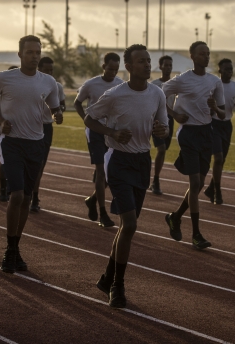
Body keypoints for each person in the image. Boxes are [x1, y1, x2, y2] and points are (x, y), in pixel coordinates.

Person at [86, 44, 168, 308]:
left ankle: (107, 276)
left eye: (148, 60)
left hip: (142, 161)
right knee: (130, 225)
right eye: (141, 61)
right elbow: (90, 119)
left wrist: (161, 130)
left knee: (126, 228)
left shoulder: (157, 93)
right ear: (129, 67)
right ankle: (117, 286)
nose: (147, 64)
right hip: (119, 162)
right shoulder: (114, 94)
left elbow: (163, 127)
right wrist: (111, 133)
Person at [0, 35, 62, 274]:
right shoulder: (5, 78)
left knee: (27, 197)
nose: (35, 56)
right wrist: (0, 120)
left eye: (37, 52)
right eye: (30, 52)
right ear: (19, 55)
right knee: (16, 195)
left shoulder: (48, 82)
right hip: (11, 142)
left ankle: (16, 247)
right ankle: (9, 248)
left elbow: (54, 105)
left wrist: (57, 113)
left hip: (35, 143)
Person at [162, 41, 225, 250]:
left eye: (208, 54)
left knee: (197, 186)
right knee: (195, 181)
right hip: (188, 133)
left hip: (207, 133)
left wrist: (215, 107)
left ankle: (175, 216)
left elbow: (223, 114)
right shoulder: (183, 80)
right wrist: (174, 114)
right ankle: (196, 234)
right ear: (192, 56)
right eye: (201, 54)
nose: (206, 57)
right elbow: (159, 95)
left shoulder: (215, 82)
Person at [74, 53, 124, 227]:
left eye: (116, 69)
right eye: (110, 69)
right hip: (95, 131)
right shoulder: (91, 84)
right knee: (102, 171)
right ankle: (103, 213)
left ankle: (93, 199)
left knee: (112, 171)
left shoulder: (120, 84)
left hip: (111, 131)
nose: (112, 72)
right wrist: (86, 121)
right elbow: (77, 102)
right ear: (104, 67)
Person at [204, 58, 235, 204]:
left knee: (222, 161)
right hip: (214, 124)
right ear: (220, 70)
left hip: (227, 125)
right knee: (219, 158)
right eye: (226, 69)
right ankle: (217, 191)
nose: (229, 72)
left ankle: (210, 189)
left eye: (231, 69)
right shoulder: (214, 85)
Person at [31, 56, 66, 212]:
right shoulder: (32, 84)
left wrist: (58, 113)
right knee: (29, 163)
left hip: (46, 127)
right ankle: (21, 191)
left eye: (52, 70)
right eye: (47, 70)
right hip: (30, 126)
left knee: (40, 165)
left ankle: (34, 197)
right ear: (39, 69)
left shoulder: (56, 86)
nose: (50, 73)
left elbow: (61, 106)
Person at [149, 55, 176, 196]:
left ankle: (154, 179)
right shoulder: (154, 84)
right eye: (165, 65)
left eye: (170, 65)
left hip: (170, 120)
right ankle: (156, 180)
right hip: (156, 120)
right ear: (160, 66)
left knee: (164, 149)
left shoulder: (174, 84)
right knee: (162, 149)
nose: (168, 68)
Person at [0, 65, 18, 202]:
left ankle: (11, 186)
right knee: (4, 160)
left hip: (19, 128)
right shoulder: (2, 87)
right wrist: (1, 120)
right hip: (2, 126)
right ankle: (3, 189)